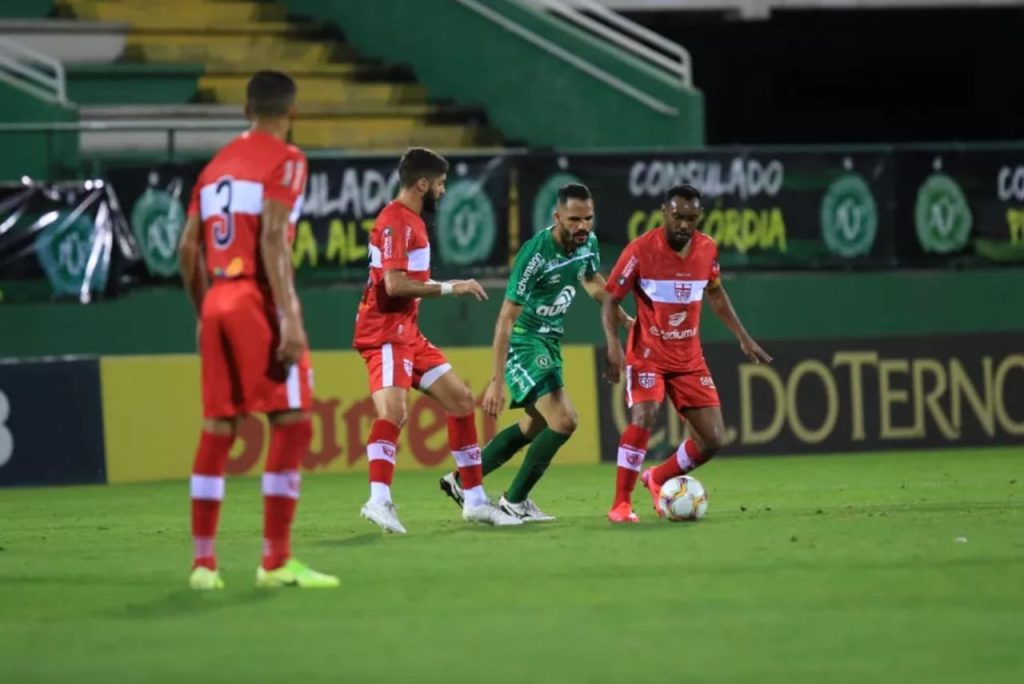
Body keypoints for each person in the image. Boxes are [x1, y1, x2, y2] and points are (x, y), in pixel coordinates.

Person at [177, 71, 338, 588]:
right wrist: (289, 317)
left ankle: (204, 566)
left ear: (246, 111)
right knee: (292, 419)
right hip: (255, 297)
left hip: (217, 297)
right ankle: (275, 560)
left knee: (218, 428)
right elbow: (273, 238)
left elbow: (186, 249)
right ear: (292, 114)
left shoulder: (214, 168)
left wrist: (207, 310)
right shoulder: (287, 160)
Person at [438, 184, 632, 521]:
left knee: (535, 425)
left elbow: (591, 281)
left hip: (550, 341)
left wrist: (624, 317)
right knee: (565, 419)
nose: (582, 226)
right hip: (525, 342)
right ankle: (515, 500)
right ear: (557, 217)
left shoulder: (589, 243)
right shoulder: (536, 254)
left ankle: (461, 479)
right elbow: (505, 319)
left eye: (588, 218)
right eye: (574, 219)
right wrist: (497, 381)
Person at [353, 147, 522, 533]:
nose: (444, 192)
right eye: (441, 184)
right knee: (393, 414)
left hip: (406, 332)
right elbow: (394, 285)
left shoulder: (411, 221)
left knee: (461, 401)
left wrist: (449, 287)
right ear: (422, 184)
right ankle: (378, 501)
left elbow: (403, 283)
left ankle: (476, 501)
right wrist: (452, 288)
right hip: (385, 332)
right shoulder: (396, 221)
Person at [601, 184, 772, 523]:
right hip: (647, 352)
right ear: (664, 212)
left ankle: (658, 477)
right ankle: (621, 503)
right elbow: (610, 300)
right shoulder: (640, 250)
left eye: (691, 218)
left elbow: (717, 294)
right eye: (678, 217)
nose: (684, 225)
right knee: (645, 417)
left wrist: (743, 336)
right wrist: (613, 345)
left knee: (712, 439)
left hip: (689, 359)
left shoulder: (707, 250)